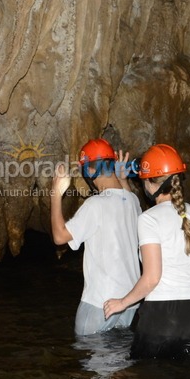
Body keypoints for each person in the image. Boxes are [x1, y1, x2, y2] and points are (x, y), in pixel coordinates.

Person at [103, 144, 190, 359]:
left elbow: (152, 278)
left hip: (162, 317)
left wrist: (121, 303)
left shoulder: (149, 219)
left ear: (150, 183)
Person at [50, 138, 142, 334]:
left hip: (100, 303)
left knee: (93, 359)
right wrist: (123, 179)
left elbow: (59, 237)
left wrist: (55, 193)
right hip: (129, 303)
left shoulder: (96, 205)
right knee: (119, 360)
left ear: (90, 171)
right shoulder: (133, 201)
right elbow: (124, 196)